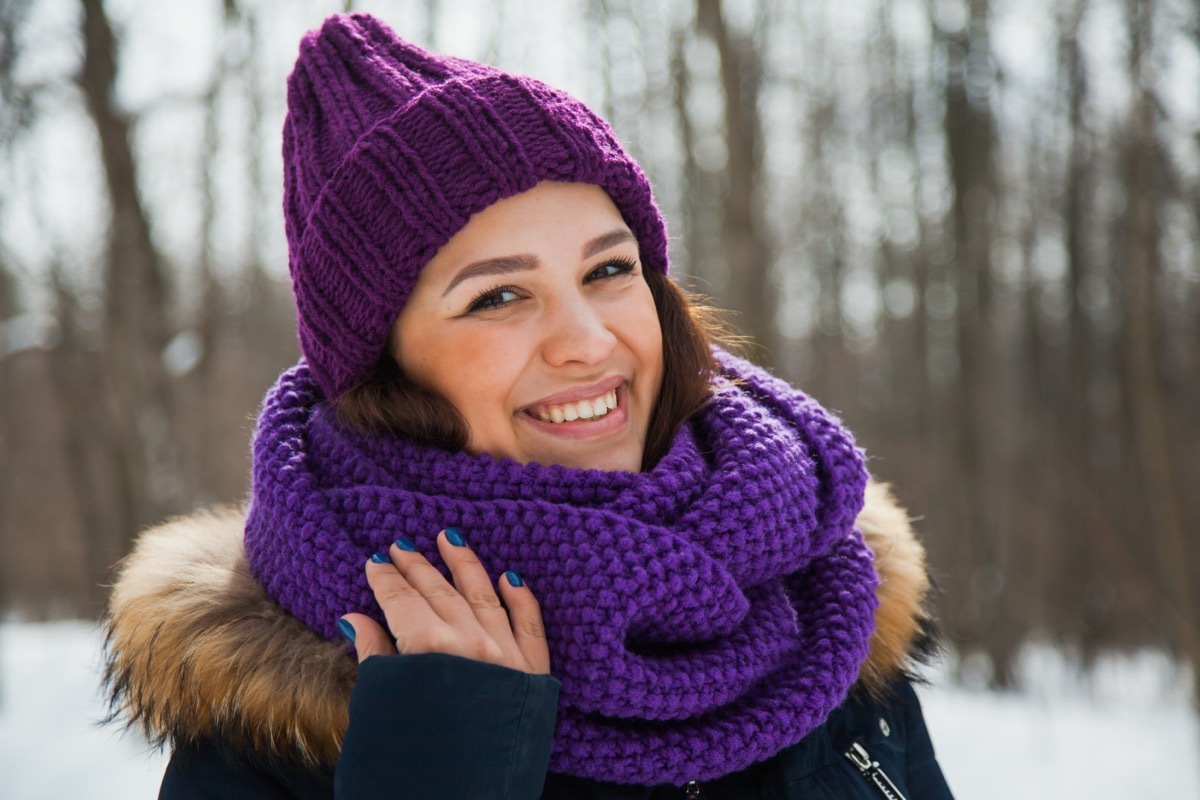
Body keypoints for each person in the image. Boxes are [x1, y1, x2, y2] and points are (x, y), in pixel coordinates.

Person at [103, 12, 954, 800]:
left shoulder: (825, 600)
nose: (587, 340)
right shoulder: (279, 712)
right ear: (384, 368)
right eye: (498, 297)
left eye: (609, 270)